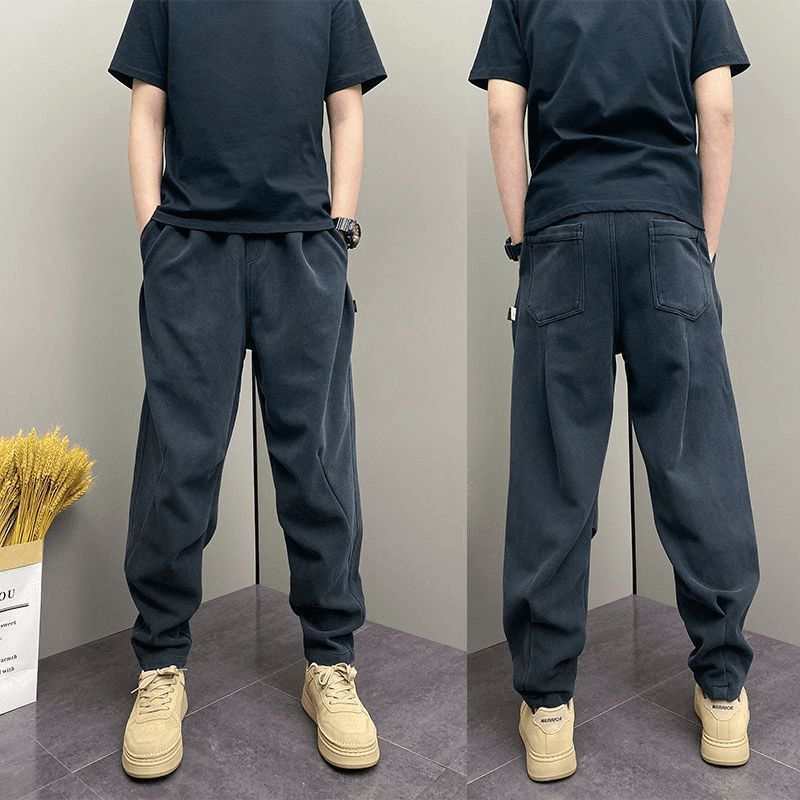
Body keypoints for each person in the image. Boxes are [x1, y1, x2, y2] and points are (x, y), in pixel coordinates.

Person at [470, 0, 758, 783]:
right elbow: (717, 109)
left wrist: (524, 239)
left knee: (554, 474)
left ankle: (549, 710)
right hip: (669, 228)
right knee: (698, 466)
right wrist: (701, 242)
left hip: (563, 232)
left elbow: (502, 111)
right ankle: (723, 692)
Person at [109, 0, 386, 779]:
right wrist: (152, 235)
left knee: (318, 466)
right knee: (177, 464)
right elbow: (146, 109)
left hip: (302, 249)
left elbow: (346, 108)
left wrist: (340, 230)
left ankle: (330, 662)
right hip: (191, 250)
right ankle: (160, 665)